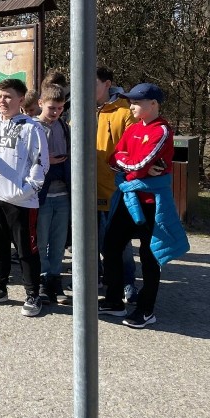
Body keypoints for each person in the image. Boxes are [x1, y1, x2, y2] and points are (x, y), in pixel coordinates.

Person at [98, 83, 188, 328]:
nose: (132, 105)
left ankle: (146, 309)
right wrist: (134, 167)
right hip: (129, 198)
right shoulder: (134, 128)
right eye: (131, 101)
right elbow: (114, 158)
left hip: (153, 203)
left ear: (154, 105)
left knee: (150, 256)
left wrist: (132, 166)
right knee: (111, 245)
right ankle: (114, 300)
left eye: (137, 102)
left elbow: (138, 163)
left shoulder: (162, 131)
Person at [0, 78, 49, 317]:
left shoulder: (32, 128)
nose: (2, 101)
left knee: (26, 250)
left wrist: (25, 190)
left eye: (8, 96)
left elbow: (41, 163)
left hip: (20, 202)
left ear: (20, 100)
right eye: (0, 96)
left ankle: (33, 294)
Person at [95, 66, 139, 303]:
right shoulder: (77, 108)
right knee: (92, 241)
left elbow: (132, 148)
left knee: (118, 243)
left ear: (107, 84)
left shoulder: (124, 111)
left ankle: (127, 283)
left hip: (113, 189)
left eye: (92, 82)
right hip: (85, 190)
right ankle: (99, 279)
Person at [35, 84, 71, 305]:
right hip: (42, 195)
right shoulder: (33, 127)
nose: (55, 113)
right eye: (51, 108)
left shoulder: (64, 127)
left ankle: (55, 279)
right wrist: (46, 160)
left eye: (59, 108)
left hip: (63, 193)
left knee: (58, 241)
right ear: (40, 104)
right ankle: (42, 279)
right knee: (41, 240)